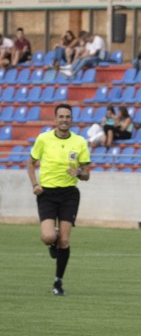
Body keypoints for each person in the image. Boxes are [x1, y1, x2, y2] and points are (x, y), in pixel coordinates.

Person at [27, 103, 91, 297]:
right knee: (48, 237)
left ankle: (58, 282)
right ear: (55, 119)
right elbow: (31, 163)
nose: (64, 120)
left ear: (71, 120)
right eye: (61, 117)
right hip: (47, 193)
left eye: (67, 117)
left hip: (69, 194)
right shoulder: (43, 139)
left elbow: (87, 174)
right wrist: (35, 184)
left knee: (64, 240)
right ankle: (52, 241)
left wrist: (79, 172)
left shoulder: (79, 142)